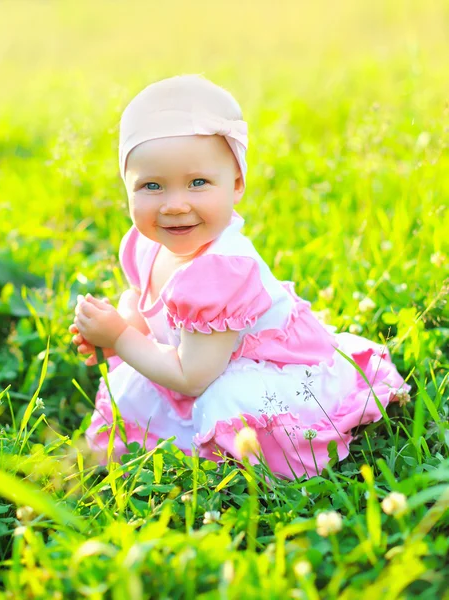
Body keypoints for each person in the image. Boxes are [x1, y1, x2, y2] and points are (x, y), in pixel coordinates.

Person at [69, 74, 410, 479]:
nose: (175, 205)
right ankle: (127, 459)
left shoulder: (220, 270)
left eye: (198, 183)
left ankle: (249, 469)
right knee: (128, 387)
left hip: (264, 371)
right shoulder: (148, 242)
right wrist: (124, 327)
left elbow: (191, 378)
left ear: (236, 185)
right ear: (126, 189)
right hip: (200, 357)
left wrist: (122, 339)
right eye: (152, 186)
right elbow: (147, 301)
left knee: (224, 400)